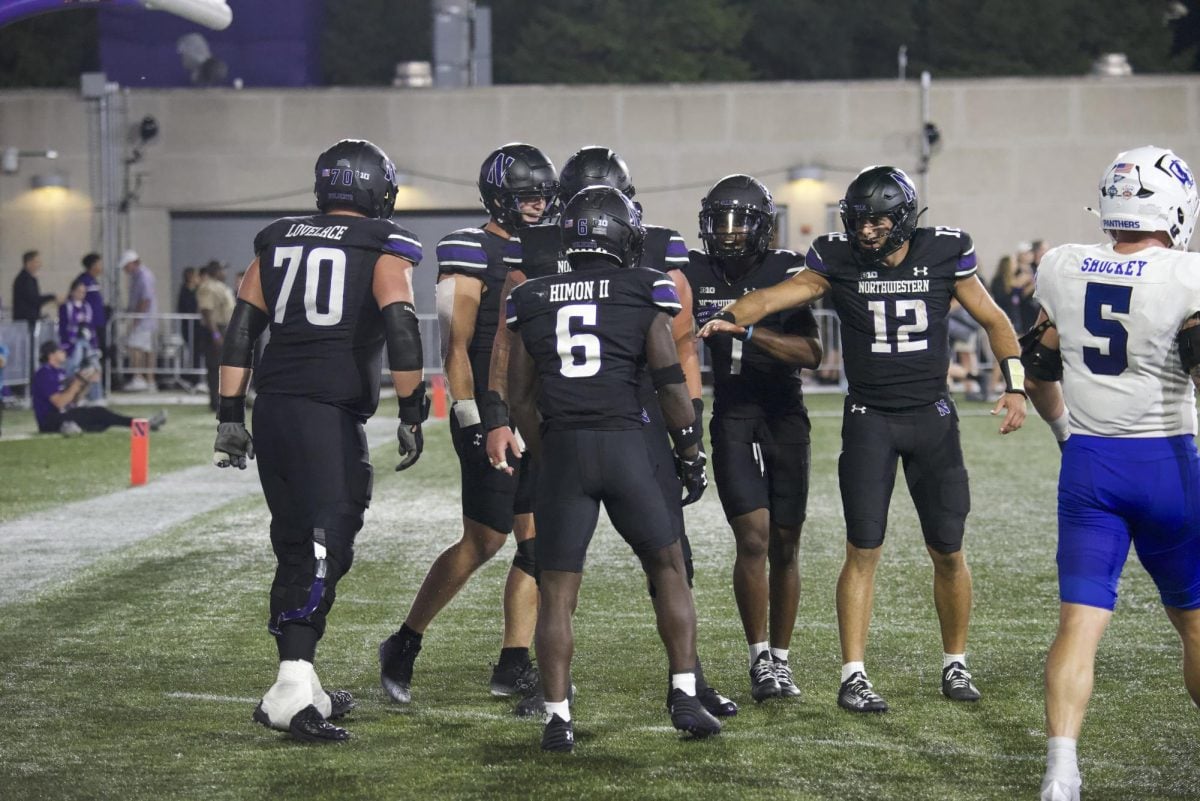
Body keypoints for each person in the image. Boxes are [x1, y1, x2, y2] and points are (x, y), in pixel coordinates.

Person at [699, 166, 1027, 713]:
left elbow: (995, 321)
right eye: (859, 221)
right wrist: (732, 315)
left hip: (932, 418)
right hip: (870, 417)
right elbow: (782, 294)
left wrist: (1015, 386)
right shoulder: (837, 257)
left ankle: (956, 662)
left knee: (948, 550)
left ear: (902, 218)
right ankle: (853, 674)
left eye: (877, 221)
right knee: (862, 548)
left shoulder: (945, 251)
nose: (867, 232)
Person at [486, 145, 735, 719]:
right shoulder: (544, 249)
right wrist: (690, 434)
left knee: (664, 547)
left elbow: (679, 343)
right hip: (580, 413)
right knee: (544, 553)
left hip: (621, 411)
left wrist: (685, 420)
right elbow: (509, 341)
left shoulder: (640, 244)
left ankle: (686, 679)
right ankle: (534, 676)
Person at [211, 138, 428, 743]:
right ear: (376, 190)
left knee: (294, 542)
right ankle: (290, 687)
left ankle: (300, 683)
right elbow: (401, 326)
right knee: (329, 536)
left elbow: (242, 329)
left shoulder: (278, 237)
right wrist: (412, 406)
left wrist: (230, 412)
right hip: (325, 414)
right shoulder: (382, 244)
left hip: (275, 407)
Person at [1022, 146, 1200, 801]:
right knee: (1196, 622)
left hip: (1091, 465)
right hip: (1168, 462)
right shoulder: (1189, 275)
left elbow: (1038, 369)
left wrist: (1066, 432)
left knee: (1078, 623)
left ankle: (1061, 771)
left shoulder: (1060, 266)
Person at [377, 143, 556, 709]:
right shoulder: (470, 248)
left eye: (543, 198)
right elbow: (456, 344)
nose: (537, 207)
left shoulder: (551, 248)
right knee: (486, 540)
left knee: (538, 541)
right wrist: (471, 416)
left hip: (538, 411)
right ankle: (404, 642)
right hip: (487, 409)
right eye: (528, 197)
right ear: (500, 198)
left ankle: (514, 662)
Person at [684, 174, 822, 702]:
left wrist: (747, 330)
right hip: (734, 415)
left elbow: (811, 354)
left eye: (740, 220)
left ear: (763, 226)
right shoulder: (694, 271)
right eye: (720, 220)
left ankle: (782, 660)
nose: (729, 231)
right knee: (754, 538)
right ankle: (759, 657)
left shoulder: (786, 269)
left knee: (786, 543)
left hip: (784, 413)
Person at [32, 341, 165, 435]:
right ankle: (144, 424)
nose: (64, 353)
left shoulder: (58, 372)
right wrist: (77, 382)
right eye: (60, 350)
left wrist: (86, 382)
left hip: (63, 415)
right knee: (101, 415)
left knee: (102, 418)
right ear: (51, 355)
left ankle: (143, 423)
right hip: (50, 421)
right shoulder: (44, 373)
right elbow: (59, 402)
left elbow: (74, 400)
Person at [195, 261, 235, 412]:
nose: (224, 273)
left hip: (224, 328)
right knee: (215, 367)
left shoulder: (219, 286)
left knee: (225, 367)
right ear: (216, 271)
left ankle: (225, 400)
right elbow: (207, 311)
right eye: (222, 270)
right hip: (216, 329)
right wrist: (215, 333)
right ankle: (216, 401)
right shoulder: (208, 287)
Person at [58, 278, 102, 402]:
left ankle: (96, 397)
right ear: (72, 292)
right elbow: (63, 328)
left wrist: (95, 345)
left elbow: (91, 328)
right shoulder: (66, 307)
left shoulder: (87, 307)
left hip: (86, 342)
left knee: (94, 367)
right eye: (78, 291)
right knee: (73, 368)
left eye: (83, 292)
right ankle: (71, 397)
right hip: (72, 343)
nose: (81, 295)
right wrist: (66, 344)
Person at [121, 250, 157, 391]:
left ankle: (139, 378)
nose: (125, 270)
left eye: (126, 266)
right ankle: (149, 380)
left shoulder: (143, 276)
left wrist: (136, 317)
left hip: (143, 319)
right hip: (146, 319)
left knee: (135, 347)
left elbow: (145, 299)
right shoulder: (139, 276)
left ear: (132, 263)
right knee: (146, 349)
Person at [11, 250, 57, 334]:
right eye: (36, 262)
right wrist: (52, 297)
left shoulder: (29, 278)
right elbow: (33, 299)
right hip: (25, 322)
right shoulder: (24, 279)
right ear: (28, 263)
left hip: (30, 321)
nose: (39, 265)